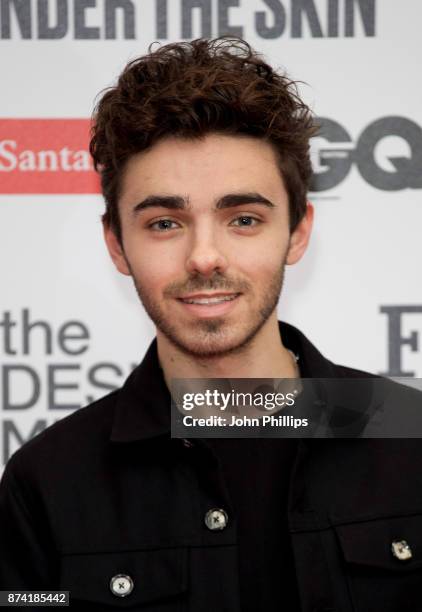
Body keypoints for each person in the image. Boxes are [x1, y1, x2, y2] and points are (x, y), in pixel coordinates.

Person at [1, 37, 421, 612]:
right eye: (165, 223)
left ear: (298, 232)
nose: (204, 257)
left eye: (243, 218)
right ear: (116, 245)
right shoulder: (46, 482)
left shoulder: (411, 437)